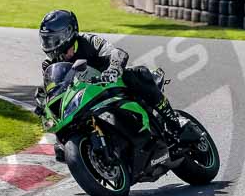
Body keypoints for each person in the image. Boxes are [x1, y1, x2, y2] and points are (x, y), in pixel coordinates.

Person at [35, 10, 179, 159]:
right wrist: (42, 102)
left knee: (137, 74)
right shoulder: (49, 64)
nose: (50, 45)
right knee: (60, 150)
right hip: (83, 99)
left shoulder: (88, 41)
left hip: (111, 84)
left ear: (69, 32)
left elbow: (116, 53)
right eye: (47, 40)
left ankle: (172, 121)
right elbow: (53, 89)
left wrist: (113, 70)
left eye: (54, 39)